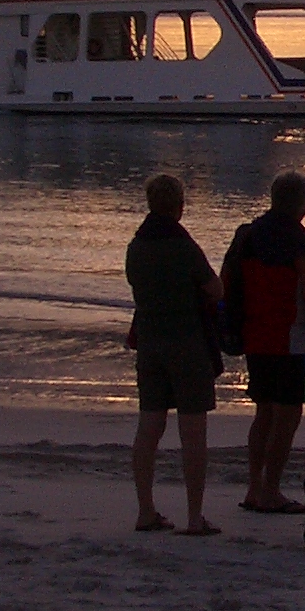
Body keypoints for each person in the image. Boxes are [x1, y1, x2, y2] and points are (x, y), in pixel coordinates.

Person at [223, 170, 305, 514]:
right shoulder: (304, 248)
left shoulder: (246, 237)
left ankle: (255, 488)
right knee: (287, 417)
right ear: (304, 205)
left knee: (264, 413)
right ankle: (270, 490)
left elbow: (227, 284)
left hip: (255, 337)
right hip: (292, 341)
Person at [124, 173, 222, 536]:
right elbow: (215, 288)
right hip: (188, 343)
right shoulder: (184, 247)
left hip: (150, 342)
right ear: (179, 206)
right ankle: (194, 516)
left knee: (149, 427)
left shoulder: (136, 247)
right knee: (193, 432)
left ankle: (145, 510)